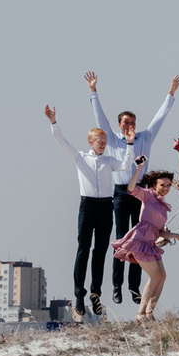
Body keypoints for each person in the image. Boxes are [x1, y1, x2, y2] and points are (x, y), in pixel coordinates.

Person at [90, 69, 179, 309]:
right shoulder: (112, 139)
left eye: (132, 122)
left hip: (142, 193)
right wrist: (93, 92)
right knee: (123, 237)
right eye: (125, 122)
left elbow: (160, 117)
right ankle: (117, 285)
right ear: (120, 125)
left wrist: (170, 93)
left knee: (143, 239)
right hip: (121, 192)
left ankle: (134, 287)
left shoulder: (145, 137)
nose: (130, 125)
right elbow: (100, 119)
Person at [42, 103, 120, 321]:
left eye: (105, 142)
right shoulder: (80, 158)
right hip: (87, 205)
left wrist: (131, 144)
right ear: (91, 142)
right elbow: (61, 142)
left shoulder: (109, 160)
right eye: (99, 142)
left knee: (101, 251)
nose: (103, 145)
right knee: (83, 249)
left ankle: (96, 294)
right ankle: (79, 295)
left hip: (106, 206)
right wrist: (53, 122)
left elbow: (125, 166)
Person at [111, 165, 176, 323]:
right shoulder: (147, 195)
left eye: (168, 185)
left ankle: (149, 313)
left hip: (151, 243)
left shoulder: (163, 206)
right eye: (162, 185)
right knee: (155, 276)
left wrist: (176, 236)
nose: (165, 188)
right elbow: (131, 188)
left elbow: (161, 231)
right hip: (140, 241)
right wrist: (138, 169)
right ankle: (141, 313)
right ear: (154, 185)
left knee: (162, 276)